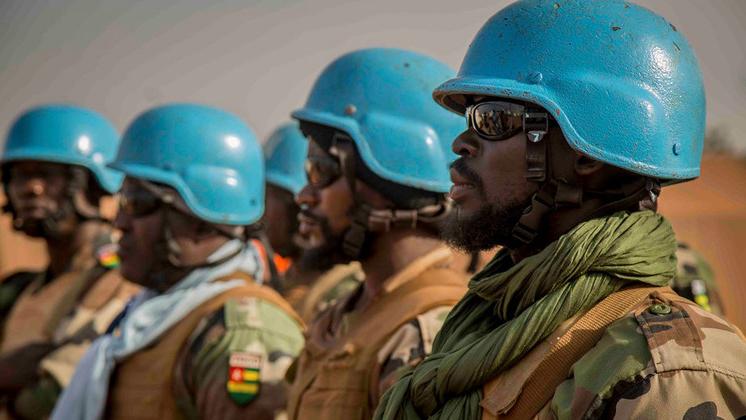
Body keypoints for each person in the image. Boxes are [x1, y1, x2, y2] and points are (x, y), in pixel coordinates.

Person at [375, 1, 746, 418]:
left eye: (492, 119)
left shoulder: (669, 370)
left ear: (585, 155)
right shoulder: (481, 329)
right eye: (468, 119)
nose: (461, 143)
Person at [51, 104, 304, 420]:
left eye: (137, 203)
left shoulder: (243, 333)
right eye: (122, 202)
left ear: (200, 221)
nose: (120, 223)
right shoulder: (148, 317)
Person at [285, 48, 469, 420]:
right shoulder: (341, 315)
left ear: (387, 183)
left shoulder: (429, 332)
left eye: (321, 171)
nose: (304, 195)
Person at [0, 105, 139, 419]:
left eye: (47, 175)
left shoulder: (120, 279)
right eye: (20, 175)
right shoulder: (19, 290)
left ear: (90, 183)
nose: (31, 188)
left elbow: (56, 397)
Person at [261, 122, 363, 321]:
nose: (260, 210)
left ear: (297, 206)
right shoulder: (291, 281)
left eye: (267, 196)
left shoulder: (342, 293)